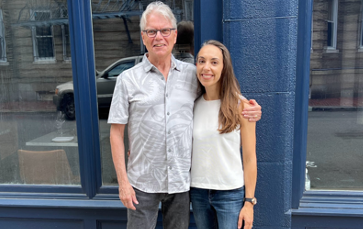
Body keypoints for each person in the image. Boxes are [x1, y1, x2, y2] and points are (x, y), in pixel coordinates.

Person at [108, 2, 261, 228]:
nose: (158, 37)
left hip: (181, 183)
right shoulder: (127, 79)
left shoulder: (192, 74)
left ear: (174, 35)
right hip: (142, 182)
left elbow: (219, 89)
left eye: (165, 30)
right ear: (143, 36)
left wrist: (249, 107)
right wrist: (123, 182)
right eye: (152, 31)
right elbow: (116, 133)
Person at [190, 40, 257, 229]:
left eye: (214, 62)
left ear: (224, 67)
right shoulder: (192, 105)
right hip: (198, 192)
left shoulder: (241, 106)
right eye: (201, 61)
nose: (206, 68)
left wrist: (249, 202)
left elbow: (250, 158)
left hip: (230, 193)